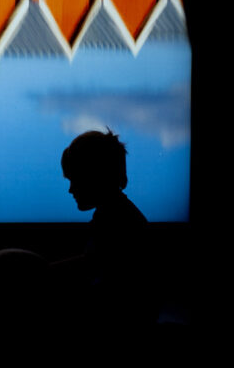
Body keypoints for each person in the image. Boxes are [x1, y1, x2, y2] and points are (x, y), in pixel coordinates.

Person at [57, 129, 155, 333]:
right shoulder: (116, 214)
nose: (71, 189)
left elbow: (92, 267)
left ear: (94, 176)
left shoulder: (115, 221)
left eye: (75, 179)